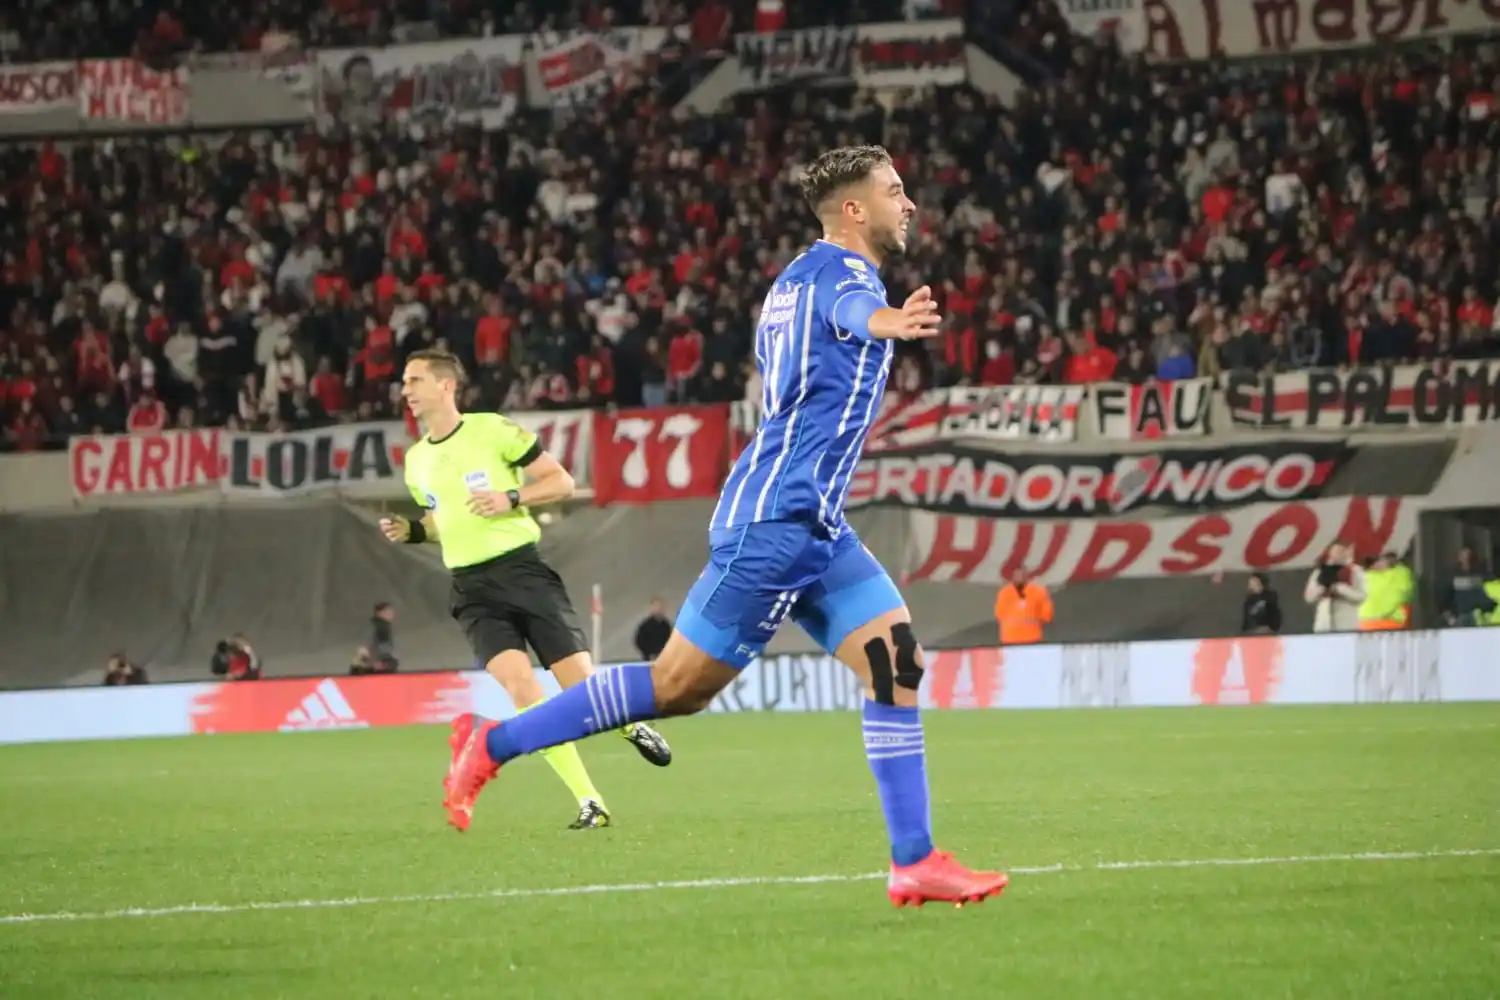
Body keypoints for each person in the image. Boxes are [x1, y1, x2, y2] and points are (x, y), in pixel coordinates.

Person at [442, 145, 1008, 908]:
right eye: (894, 191)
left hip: (814, 522)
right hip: (776, 521)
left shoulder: (794, 281)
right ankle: (490, 743)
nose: (908, 205)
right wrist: (890, 323)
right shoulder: (843, 278)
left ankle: (914, 861)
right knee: (676, 688)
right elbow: (851, 315)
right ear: (853, 209)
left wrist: (879, 320)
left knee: (895, 663)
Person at [381, 348, 672, 832]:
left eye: (414, 380)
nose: (405, 390)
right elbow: (442, 520)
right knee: (524, 693)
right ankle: (590, 801)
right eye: (404, 381)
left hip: (522, 573)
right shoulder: (416, 462)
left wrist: (510, 497)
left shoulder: (492, 430)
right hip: (471, 589)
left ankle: (627, 722)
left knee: (579, 686)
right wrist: (413, 531)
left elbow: (560, 481)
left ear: (445, 386)